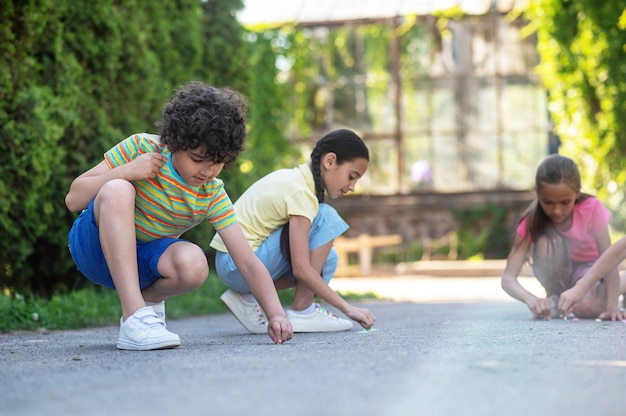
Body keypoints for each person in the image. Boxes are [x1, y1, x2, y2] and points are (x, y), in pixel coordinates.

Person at [65, 81, 292, 350]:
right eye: (198, 159)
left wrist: (276, 313)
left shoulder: (211, 194)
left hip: (142, 265)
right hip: (93, 248)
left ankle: (145, 307)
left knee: (194, 263)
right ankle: (134, 316)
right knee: (117, 189)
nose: (207, 171)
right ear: (173, 142)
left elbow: (248, 263)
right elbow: (73, 199)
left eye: (217, 162)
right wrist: (126, 171)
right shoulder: (141, 148)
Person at [210, 129, 377, 334]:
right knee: (326, 217)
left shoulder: (295, 179)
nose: (352, 187)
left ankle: (249, 296)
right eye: (352, 177)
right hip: (238, 264)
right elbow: (301, 269)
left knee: (328, 258)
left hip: (233, 265)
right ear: (330, 161)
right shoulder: (301, 192)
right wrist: (348, 309)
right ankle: (303, 310)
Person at [501, 154, 624, 321]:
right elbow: (508, 278)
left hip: (590, 271)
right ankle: (556, 295)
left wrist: (612, 306)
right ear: (538, 194)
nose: (556, 211)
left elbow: (610, 259)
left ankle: (622, 284)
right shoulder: (531, 221)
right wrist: (531, 299)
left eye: (565, 202)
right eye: (548, 202)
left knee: (588, 307)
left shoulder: (592, 208)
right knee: (545, 242)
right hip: (559, 275)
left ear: (577, 193)